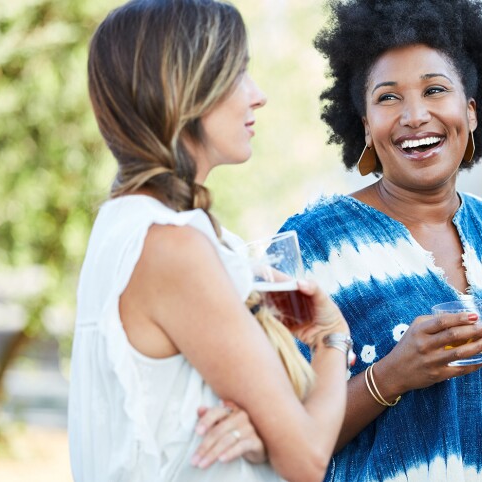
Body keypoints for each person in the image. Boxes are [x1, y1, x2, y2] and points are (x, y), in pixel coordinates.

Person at [276, 0, 482, 480]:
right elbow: (282, 436)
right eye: (388, 97)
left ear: (472, 112)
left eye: (435, 90)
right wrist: (391, 376)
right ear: (365, 127)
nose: (415, 115)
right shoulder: (309, 247)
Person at [67, 1, 352, 480]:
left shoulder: (132, 225)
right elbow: (306, 456)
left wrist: (263, 429)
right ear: (187, 90)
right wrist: (331, 340)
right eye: (239, 73)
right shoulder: (170, 245)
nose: (257, 96)